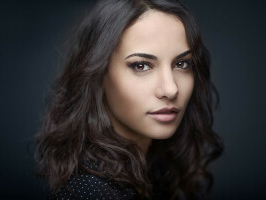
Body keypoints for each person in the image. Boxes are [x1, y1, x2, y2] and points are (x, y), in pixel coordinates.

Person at [35, 0, 224, 199]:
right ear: (98, 75)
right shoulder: (90, 192)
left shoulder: (154, 173)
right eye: (141, 66)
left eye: (182, 63)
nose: (171, 89)